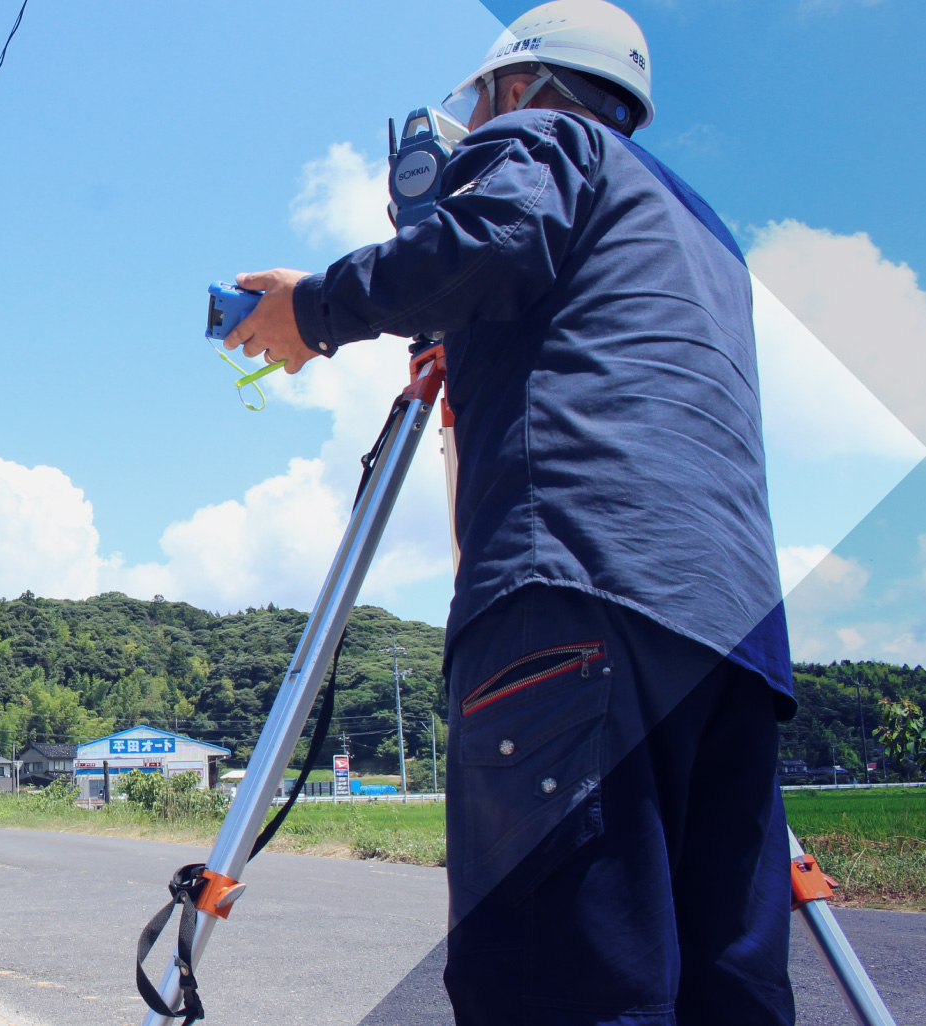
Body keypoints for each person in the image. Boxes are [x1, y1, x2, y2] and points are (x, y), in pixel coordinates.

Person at [225, 2, 794, 1023]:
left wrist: (309, 311)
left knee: (560, 979)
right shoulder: (707, 240)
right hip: (733, 640)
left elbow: (488, 239)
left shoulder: (547, 135)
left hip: (578, 596)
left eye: (480, 109)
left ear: (520, 86)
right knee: (726, 989)